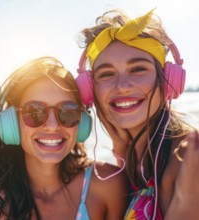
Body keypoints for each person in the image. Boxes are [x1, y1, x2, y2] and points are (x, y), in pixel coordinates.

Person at [76, 8, 199, 219]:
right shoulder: (135, 160)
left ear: (167, 81)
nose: (122, 86)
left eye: (138, 69)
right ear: (90, 90)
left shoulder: (187, 157)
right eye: (106, 74)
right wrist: (121, 148)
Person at [0, 56, 128, 219]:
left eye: (68, 111)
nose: (53, 125)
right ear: (11, 121)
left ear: (82, 121)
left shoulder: (108, 184)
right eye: (34, 112)